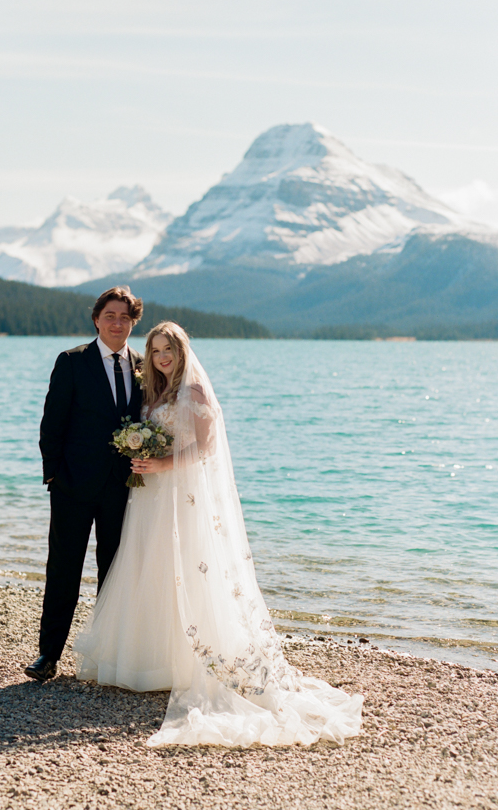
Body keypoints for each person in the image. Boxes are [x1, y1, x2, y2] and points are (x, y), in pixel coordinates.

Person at [74, 321, 364, 747]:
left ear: (181, 349)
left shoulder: (194, 392)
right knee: (150, 566)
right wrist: (142, 456)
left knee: (189, 568)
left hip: (183, 495)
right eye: (155, 350)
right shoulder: (154, 393)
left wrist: (162, 464)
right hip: (152, 497)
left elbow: (205, 448)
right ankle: (148, 663)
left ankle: (190, 664)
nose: (161, 357)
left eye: (168, 348)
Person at [24, 287, 144, 683]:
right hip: (72, 487)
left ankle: (108, 656)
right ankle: (48, 654)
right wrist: (53, 476)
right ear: (96, 319)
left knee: (114, 572)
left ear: (133, 323)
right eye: (110, 315)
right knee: (63, 570)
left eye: (124, 317)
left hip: (124, 489)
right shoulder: (72, 361)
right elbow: (51, 424)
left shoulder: (144, 367)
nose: (117, 323)